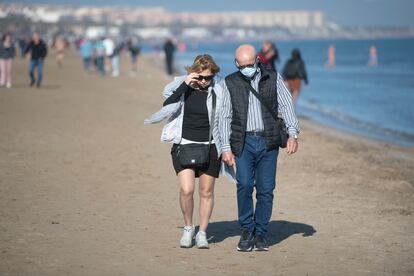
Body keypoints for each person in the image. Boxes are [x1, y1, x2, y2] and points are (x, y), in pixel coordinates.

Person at [219, 44, 299, 252]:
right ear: (237, 63)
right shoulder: (230, 82)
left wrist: (292, 134)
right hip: (243, 142)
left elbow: (286, 104)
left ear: (257, 61)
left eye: (249, 64)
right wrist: (225, 148)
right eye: (241, 65)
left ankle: (261, 232)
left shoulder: (272, 77)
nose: (246, 68)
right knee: (244, 185)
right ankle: (247, 230)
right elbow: (224, 116)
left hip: (268, 141)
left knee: (266, 189)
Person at [145, 54, 225, 249]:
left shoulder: (220, 91)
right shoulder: (182, 88)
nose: (205, 81)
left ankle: (203, 233)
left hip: (211, 146)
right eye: (201, 77)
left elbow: (227, 118)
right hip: (184, 144)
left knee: (206, 192)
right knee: (187, 190)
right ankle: (189, 227)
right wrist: (186, 84)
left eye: (209, 78)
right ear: (193, 74)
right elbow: (167, 106)